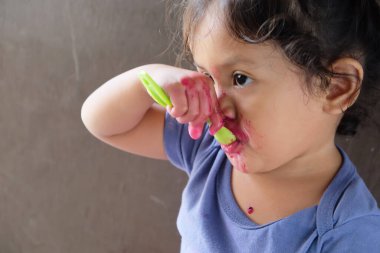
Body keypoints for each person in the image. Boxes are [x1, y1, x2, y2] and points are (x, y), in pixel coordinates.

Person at [81, 0, 380, 252]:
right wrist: (149, 78)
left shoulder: (350, 231)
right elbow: (103, 123)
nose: (216, 103)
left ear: (336, 87)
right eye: (207, 78)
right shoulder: (207, 147)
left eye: (239, 79)